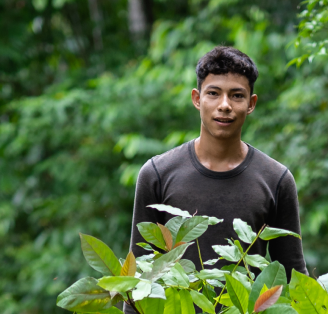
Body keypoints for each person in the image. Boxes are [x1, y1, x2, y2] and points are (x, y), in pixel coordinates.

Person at [127, 46, 307, 279]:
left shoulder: (276, 179)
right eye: (213, 93)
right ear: (197, 98)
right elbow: (140, 272)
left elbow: (294, 276)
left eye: (237, 95)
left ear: (251, 103)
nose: (225, 105)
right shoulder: (157, 174)